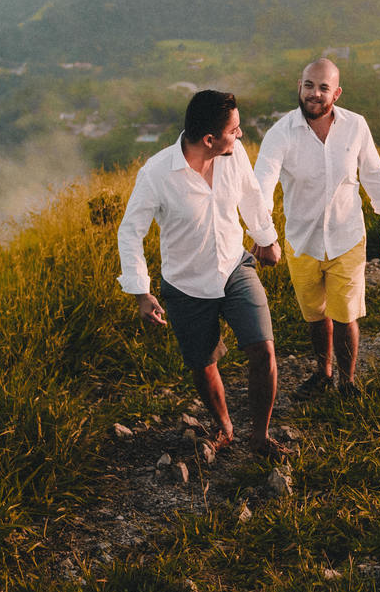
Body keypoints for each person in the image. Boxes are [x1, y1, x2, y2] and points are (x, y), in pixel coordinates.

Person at [117, 90, 289, 458]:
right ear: (210, 139)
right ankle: (224, 427)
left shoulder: (233, 154)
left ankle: (260, 437)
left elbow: (252, 196)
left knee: (263, 349)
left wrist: (267, 240)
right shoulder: (156, 174)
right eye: (235, 129)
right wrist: (140, 292)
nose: (240, 135)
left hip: (233, 265)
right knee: (203, 362)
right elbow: (130, 230)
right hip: (186, 284)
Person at [254, 58, 380, 400]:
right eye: (308, 85)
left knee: (346, 316)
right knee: (316, 317)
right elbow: (262, 186)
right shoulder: (281, 133)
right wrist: (263, 236)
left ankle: (348, 381)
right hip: (302, 242)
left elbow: (374, 174)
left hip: (347, 237)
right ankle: (323, 373)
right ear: (299, 87)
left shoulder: (356, 126)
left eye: (323, 87)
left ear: (337, 92)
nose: (314, 94)